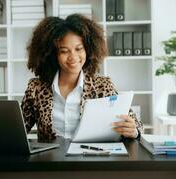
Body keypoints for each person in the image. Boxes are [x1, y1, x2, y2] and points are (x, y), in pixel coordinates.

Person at [21, 14, 143, 142]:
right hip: (50, 160)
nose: (73, 56)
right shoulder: (36, 88)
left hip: (89, 159)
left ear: (88, 49)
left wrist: (133, 131)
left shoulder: (103, 86)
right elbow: (19, 129)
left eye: (79, 49)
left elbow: (136, 125)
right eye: (64, 51)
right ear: (52, 54)